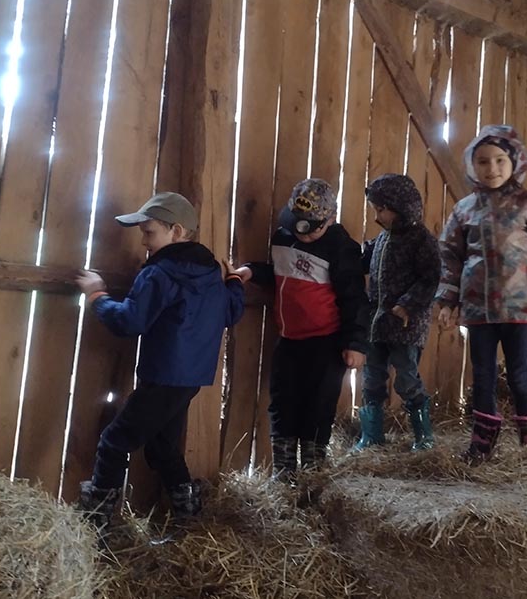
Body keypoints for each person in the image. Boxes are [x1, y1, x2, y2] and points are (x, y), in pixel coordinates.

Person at [75, 192, 245, 530]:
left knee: (114, 443)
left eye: (149, 232)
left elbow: (129, 322)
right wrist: (235, 281)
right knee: (163, 446)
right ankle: (189, 516)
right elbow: (231, 312)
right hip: (190, 378)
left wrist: (97, 295)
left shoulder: (158, 274)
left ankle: (98, 525)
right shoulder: (211, 272)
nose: (144, 241)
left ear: (176, 231)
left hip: (163, 376)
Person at [436, 125, 527, 463]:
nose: (491, 168)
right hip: (478, 310)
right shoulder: (464, 209)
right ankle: (481, 445)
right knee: (482, 376)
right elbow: (450, 256)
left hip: (518, 307)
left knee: (521, 375)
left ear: (515, 161)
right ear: (472, 164)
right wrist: (447, 301)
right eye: (483, 161)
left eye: (499, 160)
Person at [231, 178, 368, 480]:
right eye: (296, 225)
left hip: (326, 342)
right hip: (290, 339)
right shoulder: (283, 237)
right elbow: (283, 274)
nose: (302, 233)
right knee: (282, 402)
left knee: (318, 406)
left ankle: (312, 473)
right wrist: (253, 270)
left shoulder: (340, 248)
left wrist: (355, 343)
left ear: (330, 219)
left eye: (311, 228)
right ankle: (284, 473)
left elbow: (354, 298)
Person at [353, 173, 441, 452]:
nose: (377, 216)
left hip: (405, 326)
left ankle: (423, 436)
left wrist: (407, 305)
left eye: (382, 210)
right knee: (372, 377)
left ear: (401, 207)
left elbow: (431, 278)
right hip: (378, 323)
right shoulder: (381, 239)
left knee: (406, 378)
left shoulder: (421, 240)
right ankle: (371, 436)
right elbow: (364, 263)